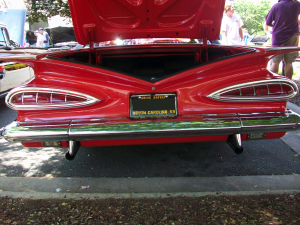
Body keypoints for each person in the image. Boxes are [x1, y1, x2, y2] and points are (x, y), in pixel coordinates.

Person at [265, 0, 300, 79]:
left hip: (278, 37)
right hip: (293, 35)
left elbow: (268, 22)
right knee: (289, 63)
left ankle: (272, 85)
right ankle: (288, 86)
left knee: (275, 62)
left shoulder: (276, 6)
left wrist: (277, 24)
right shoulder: (297, 4)